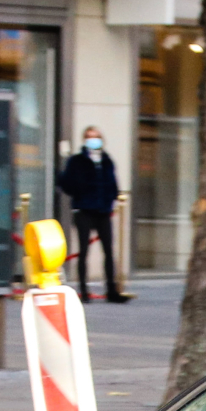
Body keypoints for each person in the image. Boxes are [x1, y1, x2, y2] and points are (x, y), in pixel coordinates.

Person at [54, 126, 130, 302]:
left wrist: (112, 198)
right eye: (89, 137)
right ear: (84, 140)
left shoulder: (106, 160)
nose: (93, 140)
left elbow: (112, 183)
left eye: (96, 137)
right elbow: (68, 185)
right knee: (84, 251)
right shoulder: (77, 161)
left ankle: (112, 290)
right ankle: (84, 291)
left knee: (109, 252)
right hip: (84, 210)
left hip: (103, 210)